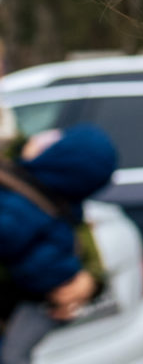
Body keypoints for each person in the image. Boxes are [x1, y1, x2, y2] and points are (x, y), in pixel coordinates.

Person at [0, 126, 116, 364]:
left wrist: (90, 281)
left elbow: (79, 246)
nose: (41, 138)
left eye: (52, 142)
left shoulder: (35, 192)